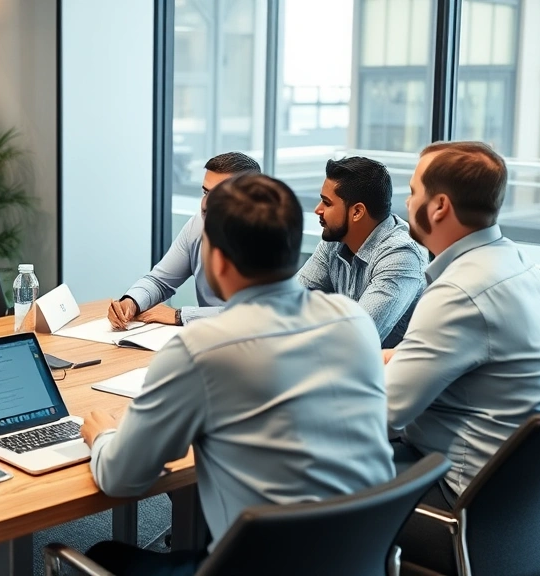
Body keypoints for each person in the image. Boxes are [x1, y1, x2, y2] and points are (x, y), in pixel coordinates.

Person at [82, 174, 395, 575]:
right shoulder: (353, 322)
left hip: (260, 564)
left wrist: (103, 432)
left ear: (219, 260)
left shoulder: (202, 349)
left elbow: (121, 478)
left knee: (101, 556)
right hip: (357, 559)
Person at [385, 141, 540, 572]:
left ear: (438, 207)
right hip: (531, 515)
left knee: (307, 473)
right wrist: (385, 358)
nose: (406, 200)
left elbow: (381, 413)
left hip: (464, 516)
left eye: (413, 190)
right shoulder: (517, 265)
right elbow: (466, 358)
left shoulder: (457, 292)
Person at [107, 152, 261, 329]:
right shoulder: (198, 225)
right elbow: (160, 281)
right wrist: (131, 302)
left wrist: (180, 315)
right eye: (206, 192)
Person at [298, 156, 426, 348]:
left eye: (327, 203)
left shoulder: (402, 255)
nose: (318, 210)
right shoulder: (335, 240)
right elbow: (290, 303)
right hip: (340, 366)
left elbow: (356, 338)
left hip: (386, 374)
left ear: (357, 212)